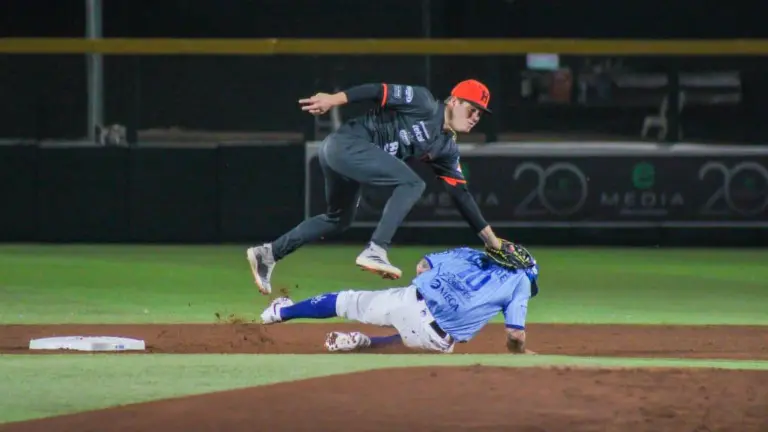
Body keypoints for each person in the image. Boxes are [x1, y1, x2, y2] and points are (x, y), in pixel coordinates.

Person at [246, 79, 504, 295]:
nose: (475, 117)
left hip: (347, 157)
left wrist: (493, 243)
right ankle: (376, 249)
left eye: (480, 113)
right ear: (454, 101)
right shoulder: (424, 102)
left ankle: (268, 253)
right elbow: (377, 91)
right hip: (344, 144)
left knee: (339, 219)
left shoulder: (445, 148)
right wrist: (334, 100)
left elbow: (461, 195)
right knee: (412, 182)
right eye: (472, 109)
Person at [259, 241, 540, 354]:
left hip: (408, 300)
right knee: (411, 342)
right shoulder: (521, 281)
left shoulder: (470, 252)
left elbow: (422, 267)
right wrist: (519, 353)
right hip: (437, 339)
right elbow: (515, 333)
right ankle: (364, 343)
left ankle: (279, 313)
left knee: (344, 301)